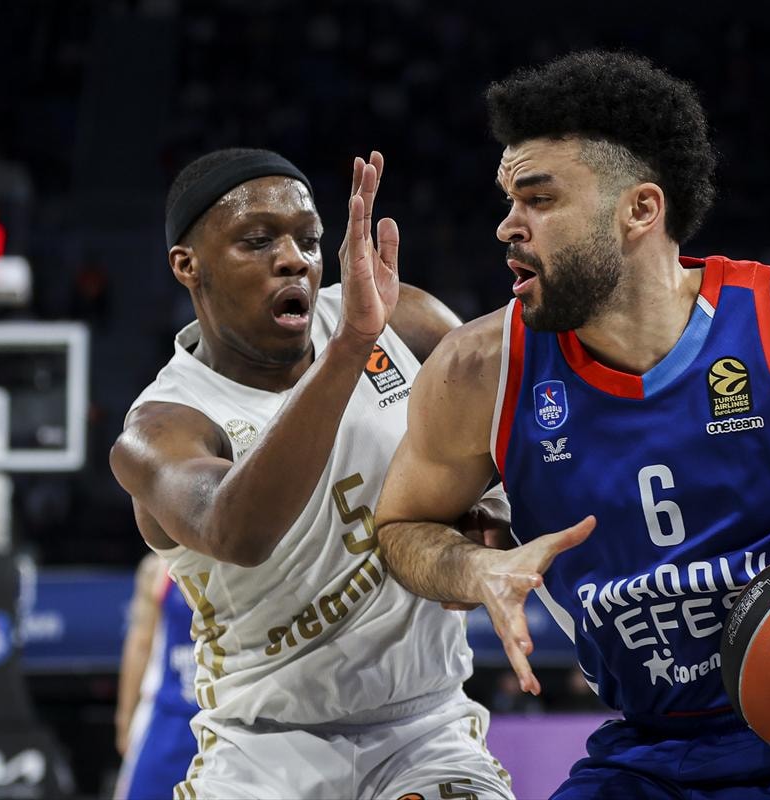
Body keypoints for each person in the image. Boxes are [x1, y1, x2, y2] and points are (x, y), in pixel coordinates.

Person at [375, 50, 770, 799]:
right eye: (509, 201)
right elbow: (400, 525)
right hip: (651, 740)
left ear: (640, 209)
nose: (508, 226)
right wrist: (476, 569)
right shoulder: (478, 372)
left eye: (539, 199)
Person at [109, 147, 513, 799]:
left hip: (425, 730)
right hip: (262, 753)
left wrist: (492, 514)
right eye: (258, 240)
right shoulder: (161, 427)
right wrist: (350, 348)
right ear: (188, 265)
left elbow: (510, 438)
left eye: (309, 239)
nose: (294, 258)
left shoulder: (403, 323)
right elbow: (238, 532)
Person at [112, 553, 198, 800]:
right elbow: (140, 645)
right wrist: (125, 717)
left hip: (224, 715)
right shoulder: (158, 568)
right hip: (168, 715)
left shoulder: (241, 554)